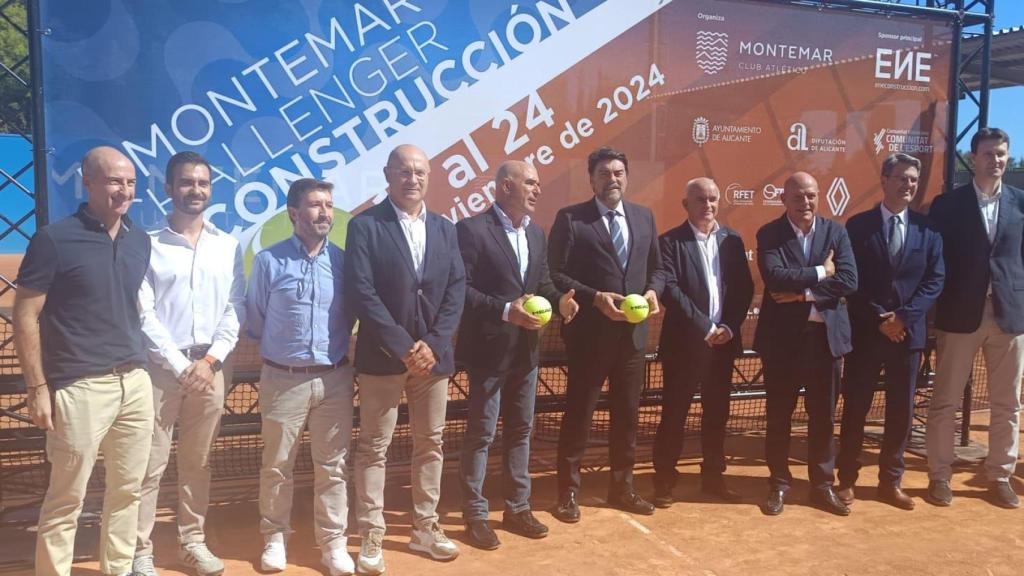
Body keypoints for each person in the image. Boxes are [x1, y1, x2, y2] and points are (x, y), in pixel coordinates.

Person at [15, 146, 153, 576]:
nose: (123, 190)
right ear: (88, 182)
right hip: (78, 388)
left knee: (128, 492)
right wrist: (38, 388)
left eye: (129, 182)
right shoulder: (54, 239)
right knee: (66, 498)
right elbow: (25, 314)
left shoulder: (139, 239)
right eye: (113, 181)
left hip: (135, 383)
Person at [345, 144, 466, 574]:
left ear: (428, 177)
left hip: (435, 360)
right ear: (387, 175)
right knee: (373, 447)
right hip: (382, 358)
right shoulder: (364, 227)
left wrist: (433, 343)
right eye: (403, 171)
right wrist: (402, 345)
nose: (411, 179)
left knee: (430, 443)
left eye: (419, 172)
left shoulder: (445, 228)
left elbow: (456, 289)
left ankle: (425, 527)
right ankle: (371, 531)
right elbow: (362, 292)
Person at [131, 151, 245, 576]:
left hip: (213, 369)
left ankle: (192, 542)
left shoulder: (228, 244)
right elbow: (143, 314)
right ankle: (139, 550)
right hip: (161, 370)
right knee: (150, 462)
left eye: (202, 183)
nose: (195, 190)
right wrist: (182, 366)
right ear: (168, 188)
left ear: (210, 189)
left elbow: (236, 308)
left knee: (198, 462)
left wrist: (211, 360)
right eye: (186, 183)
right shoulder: (147, 242)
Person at [455, 160, 578, 550]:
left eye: (538, 183)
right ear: (505, 186)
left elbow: (541, 283)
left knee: (520, 430)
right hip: (488, 351)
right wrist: (508, 310)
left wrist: (561, 303)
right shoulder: (472, 230)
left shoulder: (536, 234)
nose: (537, 190)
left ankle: (517, 507)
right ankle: (475, 514)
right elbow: (462, 290)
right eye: (530, 183)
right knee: (482, 434)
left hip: (526, 352)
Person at [245, 178, 355, 575]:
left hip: (335, 379)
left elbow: (352, 314)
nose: (324, 212)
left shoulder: (344, 261)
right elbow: (255, 317)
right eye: (314, 205)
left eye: (328, 204)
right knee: (277, 465)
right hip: (282, 378)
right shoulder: (269, 262)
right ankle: (275, 538)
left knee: (333, 466)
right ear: (294, 213)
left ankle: (333, 545)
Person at [547, 146, 661, 523]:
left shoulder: (644, 217)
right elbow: (555, 275)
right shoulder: (571, 219)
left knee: (627, 415)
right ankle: (568, 493)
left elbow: (658, 269)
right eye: (603, 174)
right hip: (589, 338)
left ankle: (622, 487)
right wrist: (596, 298)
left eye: (618, 172)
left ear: (626, 176)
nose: (612, 179)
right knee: (579, 414)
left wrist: (651, 291)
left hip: (632, 339)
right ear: (591, 180)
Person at [836, 154, 944, 511]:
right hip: (867, 334)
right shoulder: (857, 226)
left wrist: (904, 318)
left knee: (900, 411)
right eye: (901, 178)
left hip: (908, 337)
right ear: (884, 179)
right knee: (855, 407)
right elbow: (851, 281)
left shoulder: (929, 230)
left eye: (913, 179)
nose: (908, 184)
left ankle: (890, 482)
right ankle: (847, 479)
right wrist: (881, 318)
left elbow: (934, 280)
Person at [926, 127, 1024, 509]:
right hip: (960, 314)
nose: (995, 160)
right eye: (988, 154)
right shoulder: (947, 205)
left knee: (1007, 403)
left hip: (1009, 316)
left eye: (1001, 153)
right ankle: (939, 475)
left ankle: (999, 475)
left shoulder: (1020, 202)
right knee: (946, 400)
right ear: (973, 158)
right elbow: (935, 261)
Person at [753, 171, 857, 516]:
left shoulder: (836, 231)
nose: (806, 203)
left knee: (823, 418)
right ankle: (779, 484)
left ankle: (822, 485)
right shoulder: (769, 233)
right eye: (798, 197)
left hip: (825, 343)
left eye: (811, 196)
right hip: (782, 344)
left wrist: (803, 295)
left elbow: (849, 280)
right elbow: (774, 277)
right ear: (784, 199)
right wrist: (821, 271)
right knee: (779, 416)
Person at [651, 177, 753, 508]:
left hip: (723, 345)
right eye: (700, 200)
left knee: (716, 415)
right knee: (674, 415)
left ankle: (713, 478)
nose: (707, 206)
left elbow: (742, 289)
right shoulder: (669, 242)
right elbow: (671, 291)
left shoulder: (732, 240)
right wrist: (705, 327)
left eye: (712, 199)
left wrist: (728, 326)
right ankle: (664, 481)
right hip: (685, 346)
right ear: (686, 205)